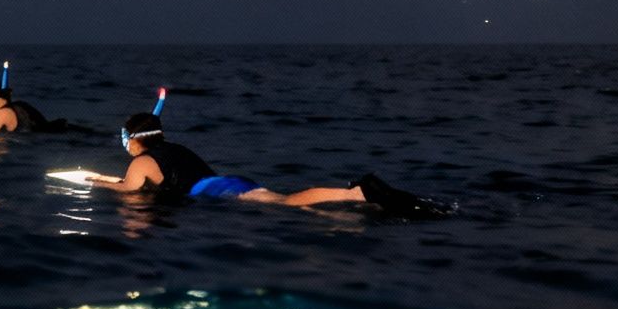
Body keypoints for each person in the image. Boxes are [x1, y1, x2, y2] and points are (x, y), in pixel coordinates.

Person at [84, 112, 452, 216]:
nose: (124, 145)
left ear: (135, 140)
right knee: (288, 203)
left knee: (286, 203)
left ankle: (356, 192)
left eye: (124, 138)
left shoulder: (143, 161)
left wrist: (93, 183)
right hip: (228, 181)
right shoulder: (173, 149)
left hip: (217, 192)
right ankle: (346, 206)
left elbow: (129, 192)